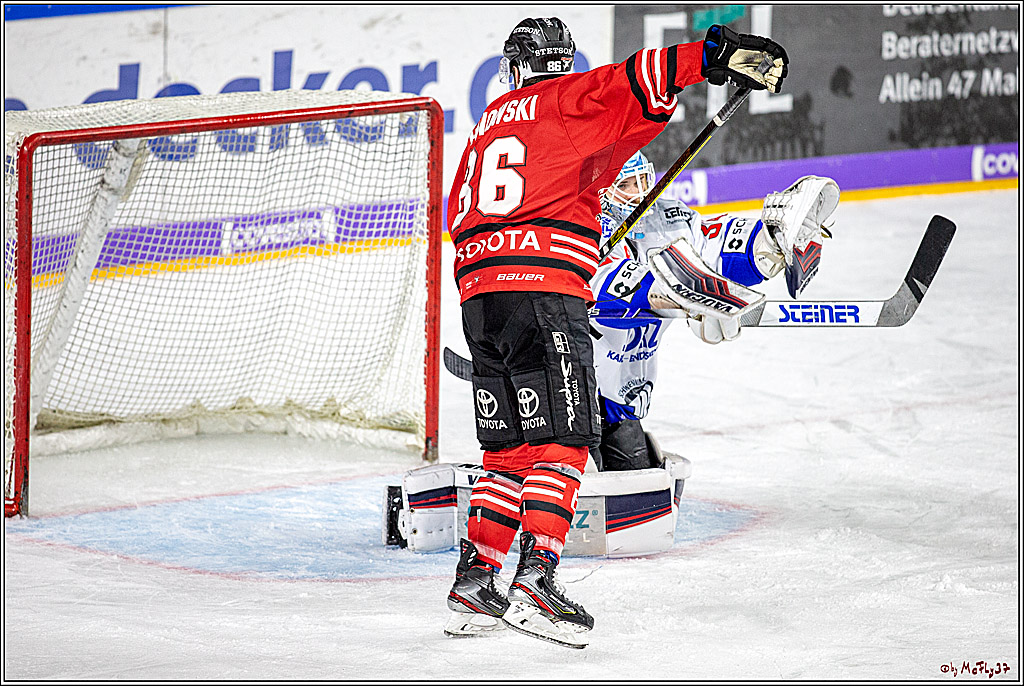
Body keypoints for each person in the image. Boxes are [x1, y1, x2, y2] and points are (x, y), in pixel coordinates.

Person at [444, 17, 788, 648]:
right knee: (569, 444)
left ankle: (477, 580)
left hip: (479, 300)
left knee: (508, 452)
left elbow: (457, 216)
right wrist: (714, 55)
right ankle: (535, 582)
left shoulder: (482, 130)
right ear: (560, 60)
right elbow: (639, 78)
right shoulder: (563, 100)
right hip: (543, 296)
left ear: (514, 62)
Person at [588, 152, 841, 472]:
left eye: (644, 180)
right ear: (598, 187)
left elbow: (711, 243)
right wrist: (682, 291)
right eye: (627, 185)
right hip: (569, 399)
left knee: (637, 481)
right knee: (577, 482)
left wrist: (767, 241)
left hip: (620, 406)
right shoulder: (581, 229)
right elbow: (605, 286)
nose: (641, 194)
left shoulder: (663, 219)